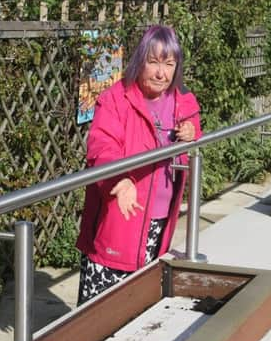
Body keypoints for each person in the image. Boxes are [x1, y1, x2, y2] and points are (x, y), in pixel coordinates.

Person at [75, 25, 202, 305]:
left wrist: (192, 132)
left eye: (169, 64)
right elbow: (101, 147)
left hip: (159, 223)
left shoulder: (181, 101)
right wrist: (120, 180)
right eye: (154, 62)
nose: (161, 73)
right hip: (121, 219)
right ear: (139, 61)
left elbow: (193, 128)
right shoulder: (116, 100)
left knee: (140, 304)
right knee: (101, 310)